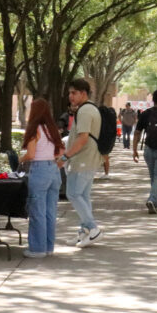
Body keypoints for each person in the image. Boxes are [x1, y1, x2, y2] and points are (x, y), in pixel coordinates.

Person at [57, 79, 104, 247]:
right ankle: (84, 232)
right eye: (69, 93)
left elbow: (83, 138)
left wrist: (64, 157)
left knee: (73, 194)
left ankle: (93, 229)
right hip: (88, 159)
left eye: (74, 93)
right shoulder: (90, 109)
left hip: (83, 160)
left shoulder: (84, 111)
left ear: (83, 93)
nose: (70, 96)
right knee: (83, 196)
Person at [21, 98, 64, 258]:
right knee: (50, 212)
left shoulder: (35, 130)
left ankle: (37, 249)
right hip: (53, 169)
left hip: (39, 170)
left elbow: (31, 154)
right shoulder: (52, 130)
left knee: (37, 211)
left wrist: (20, 159)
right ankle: (48, 247)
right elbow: (61, 152)